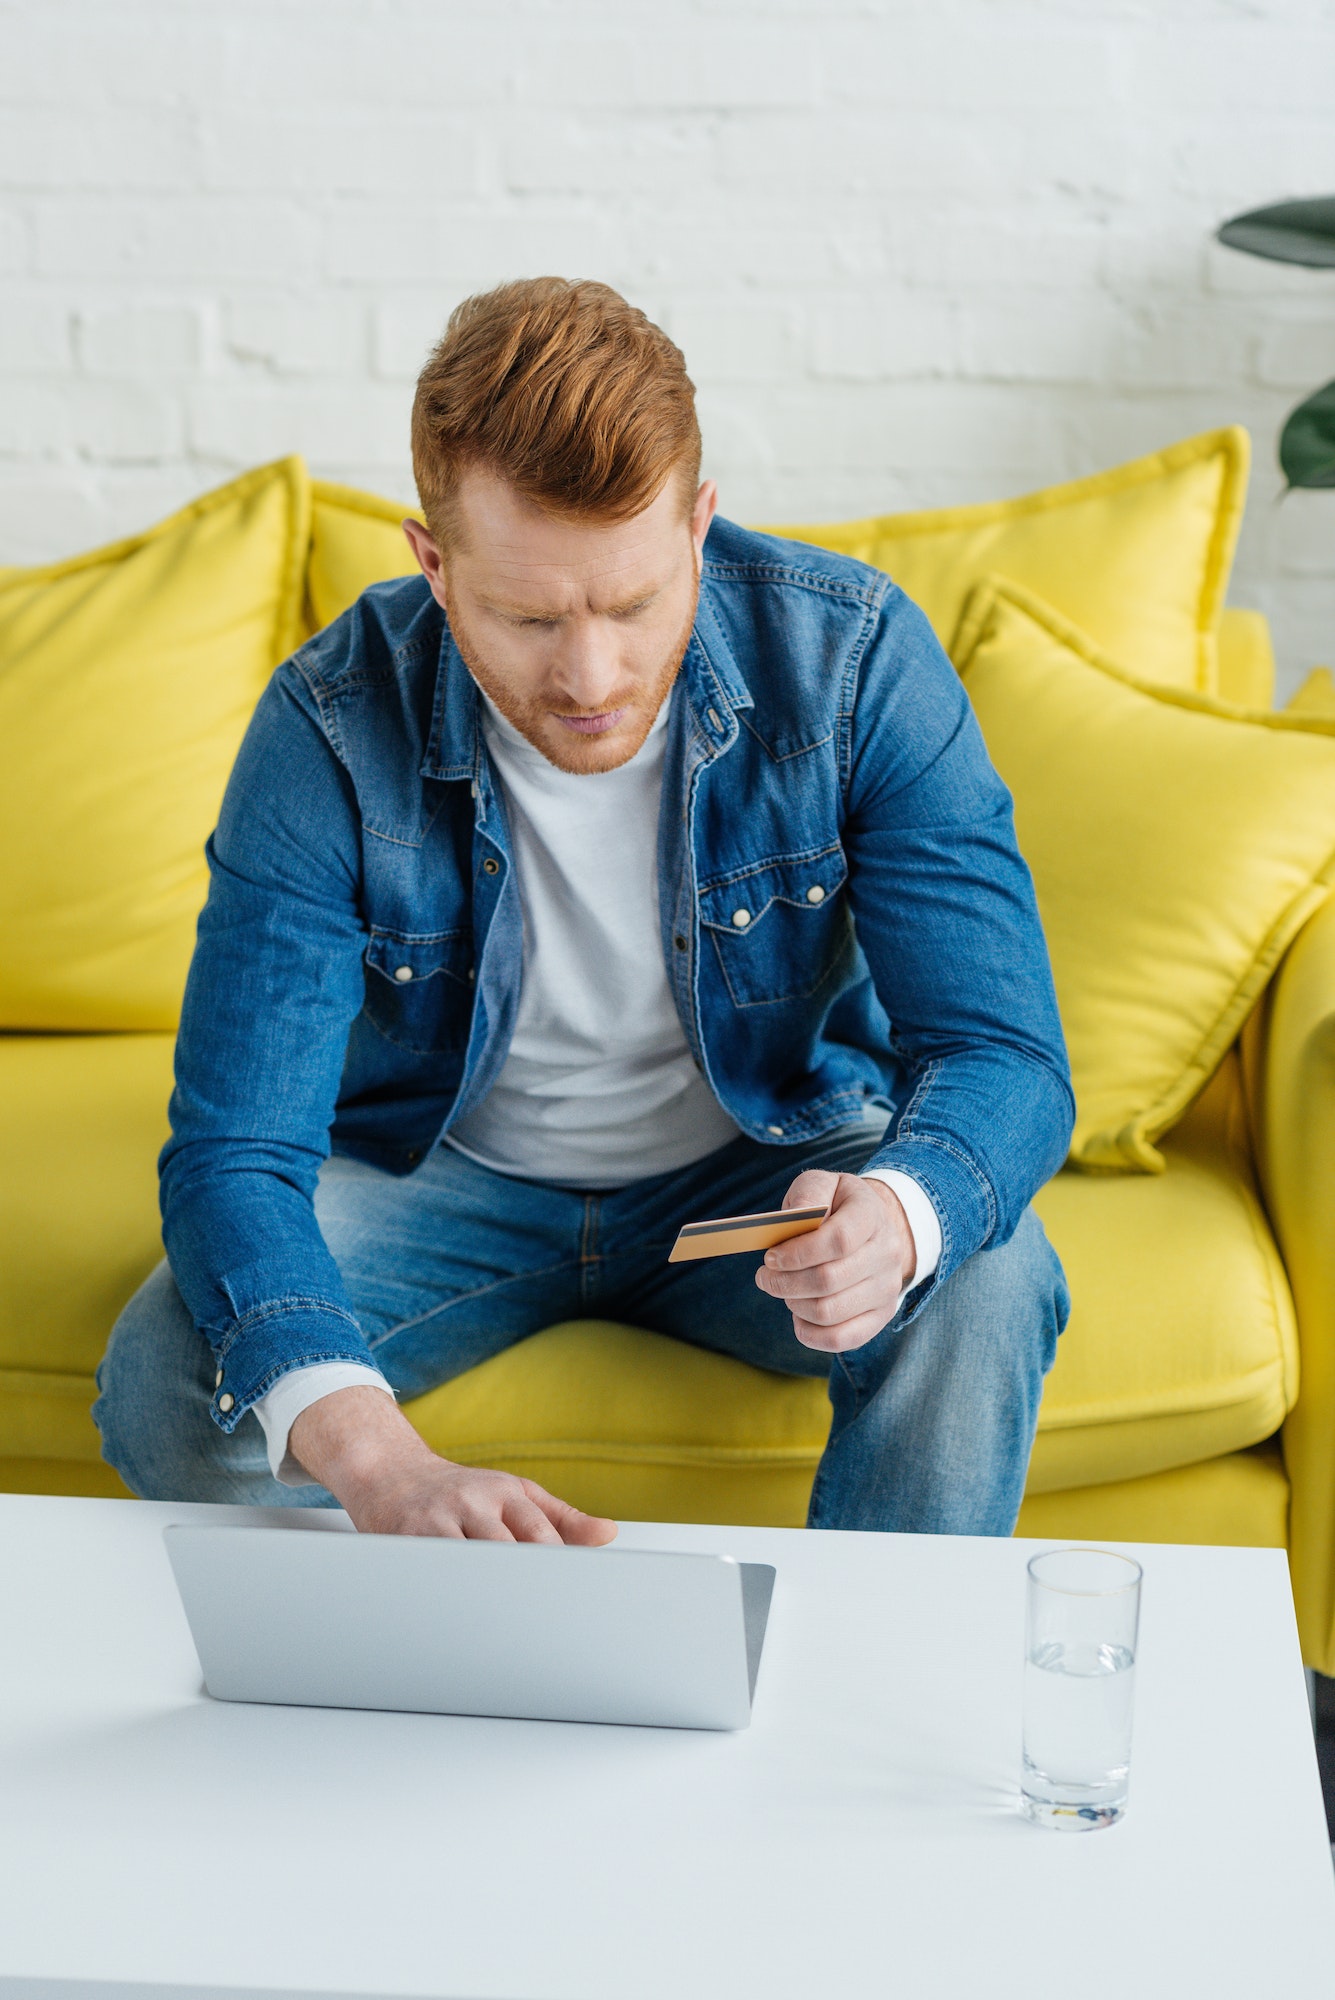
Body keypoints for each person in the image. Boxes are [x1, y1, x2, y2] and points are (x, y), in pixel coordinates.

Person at [95, 276, 1072, 1545]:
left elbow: (1006, 1051)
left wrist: (901, 1213)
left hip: (762, 1166)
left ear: (701, 526)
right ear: (434, 564)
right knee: (169, 1379)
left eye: (631, 602)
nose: (591, 676)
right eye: (529, 614)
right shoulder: (329, 724)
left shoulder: (854, 660)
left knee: (990, 1274)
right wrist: (383, 1467)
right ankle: (427, 1710)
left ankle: (853, 1694)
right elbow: (236, 1151)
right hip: (438, 1178)